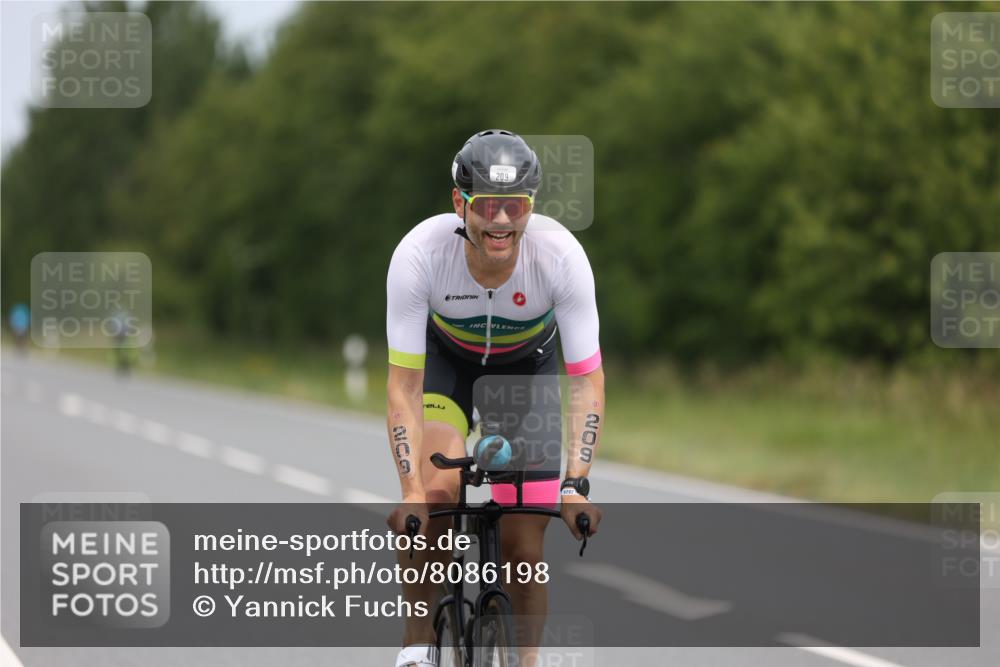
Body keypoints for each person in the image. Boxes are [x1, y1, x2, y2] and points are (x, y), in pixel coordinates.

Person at [385, 130, 605, 667]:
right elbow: (403, 386)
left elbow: (585, 381)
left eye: (515, 206)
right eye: (487, 206)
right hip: (447, 369)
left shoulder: (561, 257)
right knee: (435, 499)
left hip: (524, 378)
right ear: (460, 203)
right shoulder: (420, 253)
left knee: (524, 555)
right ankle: (417, 646)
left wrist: (575, 484)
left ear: (530, 206)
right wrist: (410, 488)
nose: (501, 221)